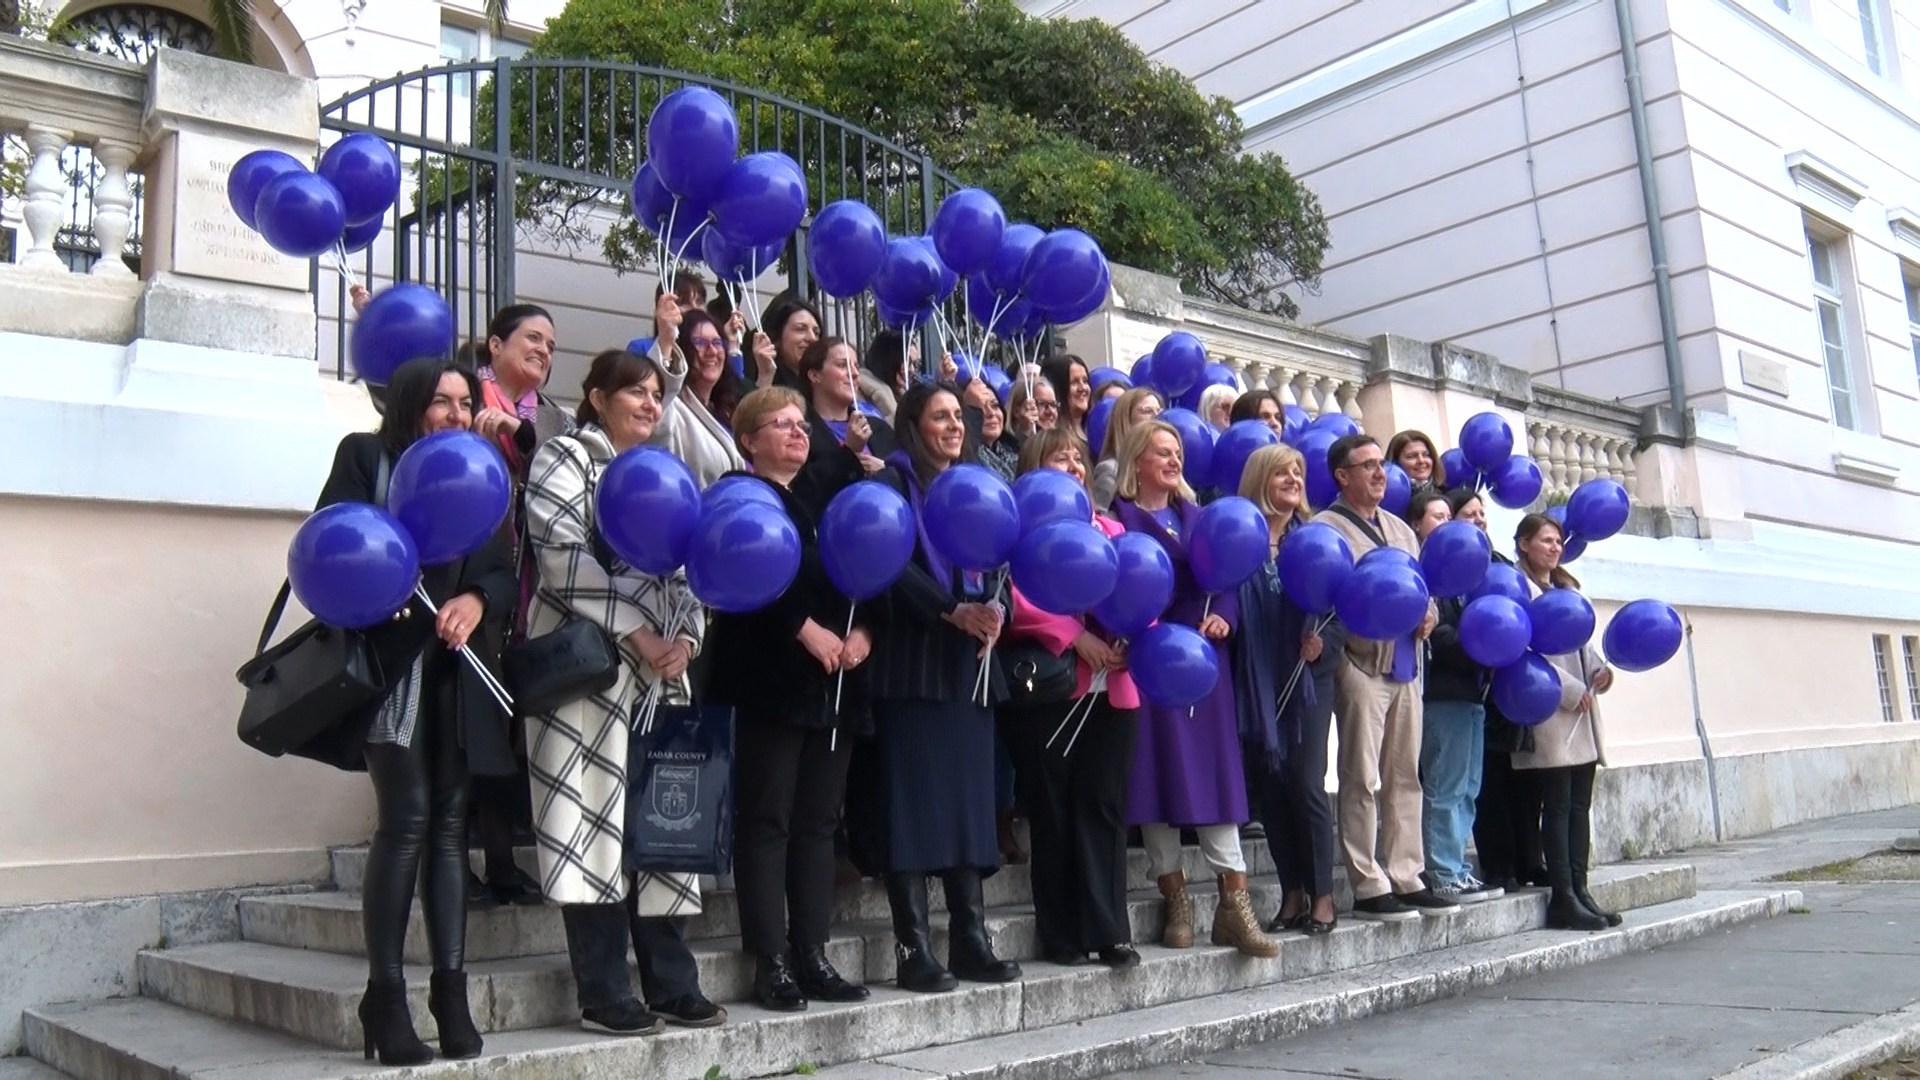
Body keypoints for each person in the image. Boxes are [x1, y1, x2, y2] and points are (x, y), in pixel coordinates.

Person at [317, 356, 516, 1065]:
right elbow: (333, 544)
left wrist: (475, 600)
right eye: (441, 401)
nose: (456, 415)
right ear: (409, 404)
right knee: (406, 819)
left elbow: (498, 564)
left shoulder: (479, 468)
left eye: (465, 402)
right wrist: (390, 585)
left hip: (458, 673)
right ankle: (386, 995)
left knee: (450, 829)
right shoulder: (367, 457)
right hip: (394, 666)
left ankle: (450, 992)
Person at [523, 349, 724, 1036]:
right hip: (592, 673)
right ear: (598, 397)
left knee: (667, 827)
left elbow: (695, 568)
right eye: (633, 391)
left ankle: (672, 982)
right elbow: (560, 554)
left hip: (664, 678)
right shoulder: (565, 459)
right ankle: (604, 991)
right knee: (591, 829)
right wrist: (639, 634)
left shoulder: (673, 473)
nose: (648, 403)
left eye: (656, 394)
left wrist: (687, 640)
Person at [703, 387, 875, 1012]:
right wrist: (804, 629)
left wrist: (861, 633)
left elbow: (863, 576)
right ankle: (770, 959)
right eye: (783, 424)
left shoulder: (821, 502)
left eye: (804, 424)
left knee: (819, 823)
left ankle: (813, 952)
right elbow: (743, 580)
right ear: (749, 439)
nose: (800, 433)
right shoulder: (737, 494)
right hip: (769, 678)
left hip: (832, 682)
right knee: (768, 819)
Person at [868, 382, 1022, 992]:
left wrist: (997, 609)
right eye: (940, 416)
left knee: (968, 812)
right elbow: (889, 566)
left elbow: (1004, 559)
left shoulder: (982, 485)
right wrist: (949, 610)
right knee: (909, 810)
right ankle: (913, 948)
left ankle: (970, 940)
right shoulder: (890, 486)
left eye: (960, 416)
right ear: (912, 424)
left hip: (969, 669)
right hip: (913, 663)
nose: (955, 426)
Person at [1109, 420, 1276, 959]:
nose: (1173, 459)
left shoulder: (1201, 517)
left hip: (1206, 668)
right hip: (1155, 662)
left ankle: (1235, 904)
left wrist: (1225, 616)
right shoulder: (1120, 518)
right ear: (1136, 461)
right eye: (1161, 452)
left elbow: (1227, 581)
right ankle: (1175, 899)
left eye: (1177, 451)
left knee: (1216, 779)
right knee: (1156, 781)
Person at [998, 427, 1141, 968]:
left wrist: (1131, 632)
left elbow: (1139, 586)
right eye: (1061, 459)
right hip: (1052, 688)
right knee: (1054, 810)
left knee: (1103, 807)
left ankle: (1110, 930)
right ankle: (1060, 933)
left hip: (1114, 687)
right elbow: (1014, 596)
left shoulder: (1110, 527)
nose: (1074, 468)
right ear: (1035, 467)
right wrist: (1073, 634)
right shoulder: (1018, 528)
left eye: (1079, 460)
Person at [466, 302, 586, 908]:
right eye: (532, 338)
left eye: (551, 345)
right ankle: (468, 859)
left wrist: (519, 434)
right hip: (473, 587)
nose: (543, 350)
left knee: (513, 724)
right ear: (494, 345)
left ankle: (506, 862)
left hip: (532, 591)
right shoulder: (461, 402)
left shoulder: (554, 421)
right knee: (477, 722)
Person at [1312, 434, 1459, 921]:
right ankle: (1368, 882)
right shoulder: (1327, 529)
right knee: (1361, 776)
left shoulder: (1400, 527)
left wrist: (1430, 615)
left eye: (1382, 464)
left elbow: (1423, 590)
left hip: (1407, 663)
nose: (1381, 473)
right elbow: (1323, 601)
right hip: (1360, 665)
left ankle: (1406, 873)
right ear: (1342, 476)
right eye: (1369, 465)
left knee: (1404, 775)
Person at [1231, 444, 1344, 936]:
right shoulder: (1242, 540)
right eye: (1282, 472)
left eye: (1298, 471)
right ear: (1260, 477)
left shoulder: (1316, 539)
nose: (1294, 479)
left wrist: (1326, 644)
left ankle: (1323, 895)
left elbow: (1344, 608)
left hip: (1307, 683)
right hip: (1257, 679)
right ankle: (1291, 893)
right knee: (1272, 791)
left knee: (1304, 782)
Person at [1511, 512, 1619, 930]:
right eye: (1545, 541)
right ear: (1524, 544)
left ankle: (1581, 887)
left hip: (1582, 714)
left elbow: (1582, 644)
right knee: (1555, 806)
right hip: (1548, 709)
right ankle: (1562, 894)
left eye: (1558, 541)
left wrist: (1600, 673)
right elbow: (1524, 650)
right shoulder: (1519, 588)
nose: (1554, 548)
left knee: (1579, 805)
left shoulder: (1565, 589)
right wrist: (1572, 691)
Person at [1405, 490, 1502, 905]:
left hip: (1471, 694)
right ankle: (1443, 870)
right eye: (1438, 516)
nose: (1450, 523)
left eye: (1451, 515)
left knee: (1468, 787)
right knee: (1446, 786)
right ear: (1418, 525)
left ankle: (1459, 866)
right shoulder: (1423, 575)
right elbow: (1438, 636)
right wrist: (1477, 647)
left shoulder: (1468, 579)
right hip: (1442, 694)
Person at [1455, 494, 1547, 893]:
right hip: (1471, 683)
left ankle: (1532, 858)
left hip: (1510, 683)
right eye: (1468, 515)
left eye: (1481, 514)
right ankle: (1499, 865)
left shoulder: (1503, 567)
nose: (1478, 520)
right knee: (1488, 784)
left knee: (1522, 782)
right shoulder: (1451, 568)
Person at [653, 308, 747, 488]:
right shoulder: (671, 408)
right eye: (700, 342)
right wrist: (665, 340)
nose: (712, 351)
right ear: (681, 350)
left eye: (717, 342)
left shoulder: (725, 411)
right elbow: (657, 409)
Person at [797, 337, 897, 502]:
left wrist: (885, 470)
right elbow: (807, 491)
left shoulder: (878, 427)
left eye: (856, 366)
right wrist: (849, 452)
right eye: (843, 365)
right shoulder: (800, 431)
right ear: (814, 375)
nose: (855, 374)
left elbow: (908, 477)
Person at [1089, 387, 1165, 512]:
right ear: (1125, 420)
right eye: (1147, 411)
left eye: (1159, 411)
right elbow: (1103, 523)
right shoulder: (1110, 470)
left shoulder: (1167, 465)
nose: (1157, 417)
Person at [756, 294, 822, 393]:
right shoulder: (757, 379)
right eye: (800, 329)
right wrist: (765, 377)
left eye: (816, 333)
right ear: (777, 336)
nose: (812, 338)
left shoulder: (821, 386)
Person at [861, 330, 917, 422]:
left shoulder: (904, 395)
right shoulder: (860, 397)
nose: (912, 370)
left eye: (915, 364)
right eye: (907, 361)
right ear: (888, 359)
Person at [971, 382, 1020, 482]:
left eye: (995, 405)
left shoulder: (1014, 450)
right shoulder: (966, 459)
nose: (991, 413)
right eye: (980, 408)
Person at [1041, 355, 1093, 439]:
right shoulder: (1051, 436)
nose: (1083, 388)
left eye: (1085, 381)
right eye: (1074, 382)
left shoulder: (1096, 429)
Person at [1386, 430, 1447, 495]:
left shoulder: (1448, 495)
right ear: (1396, 462)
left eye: (1426, 455)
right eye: (1411, 456)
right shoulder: (1384, 497)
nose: (1421, 460)